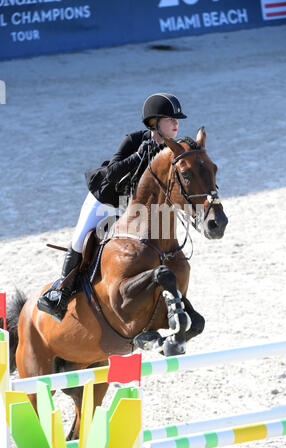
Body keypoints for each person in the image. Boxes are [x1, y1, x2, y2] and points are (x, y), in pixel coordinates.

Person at [37, 93, 187, 321]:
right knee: (80, 241)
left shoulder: (172, 151)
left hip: (132, 210)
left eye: (177, 120)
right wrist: (138, 157)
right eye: (170, 119)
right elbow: (112, 173)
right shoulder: (134, 140)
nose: (176, 123)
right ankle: (61, 293)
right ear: (154, 122)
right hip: (104, 200)